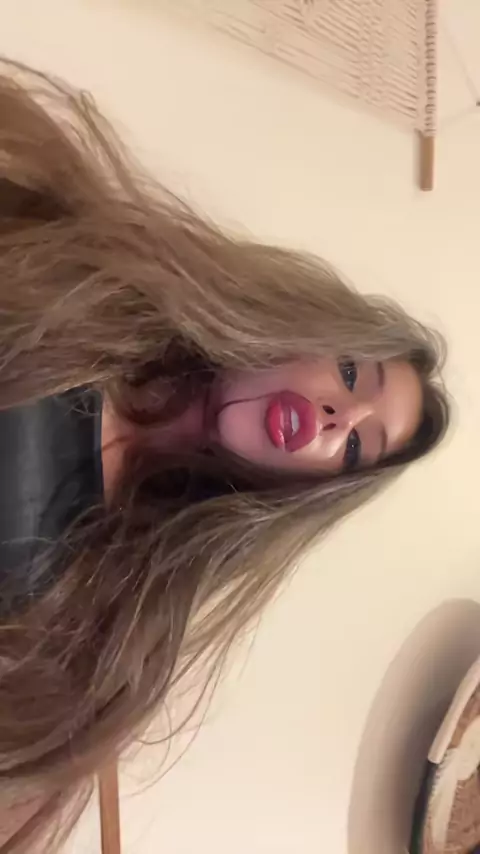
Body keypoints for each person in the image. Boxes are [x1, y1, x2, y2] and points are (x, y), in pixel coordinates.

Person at [0, 59, 449, 852]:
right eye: (352, 374)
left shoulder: (114, 618)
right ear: (305, 327)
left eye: (355, 447)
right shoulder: (77, 266)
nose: (338, 417)